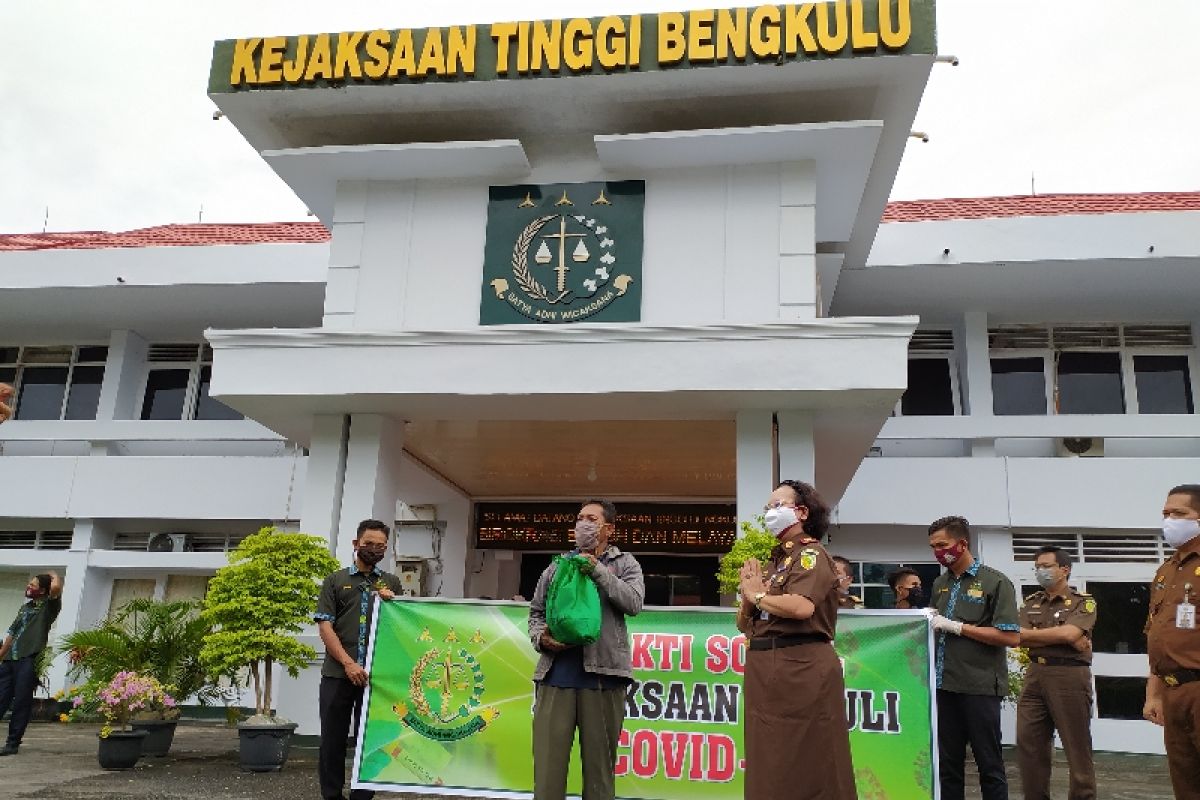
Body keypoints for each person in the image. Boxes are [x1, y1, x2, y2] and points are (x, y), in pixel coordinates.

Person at [736, 480, 857, 800]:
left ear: (801, 512)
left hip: (799, 667)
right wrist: (749, 598)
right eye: (767, 508)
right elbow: (741, 623)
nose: (769, 513)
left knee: (807, 761)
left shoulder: (811, 555)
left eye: (777, 506)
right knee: (769, 760)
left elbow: (802, 607)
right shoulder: (775, 562)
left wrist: (758, 594)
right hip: (767, 667)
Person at [528, 499, 644, 800]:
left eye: (591, 518)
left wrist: (598, 571)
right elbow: (535, 613)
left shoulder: (625, 564)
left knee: (599, 776)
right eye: (580, 518)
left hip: (604, 679)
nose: (583, 524)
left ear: (608, 528)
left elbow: (633, 603)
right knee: (547, 774)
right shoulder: (557, 566)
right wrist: (541, 638)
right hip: (556, 677)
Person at [927, 515, 1019, 800]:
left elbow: (1011, 637)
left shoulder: (995, 582)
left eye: (942, 545)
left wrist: (959, 627)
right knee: (948, 766)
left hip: (978, 687)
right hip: (944, 686)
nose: (938, 552)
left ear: (962, 543)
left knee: (989, 765)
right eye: (933, 547)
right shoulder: (940, 584)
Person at [314, 519, 404, 800]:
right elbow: (325, 626)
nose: (374, 550)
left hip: (375, 680)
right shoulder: (336, 581)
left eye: (381, 546)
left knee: (372, 742)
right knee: (333, 740)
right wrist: (348, 663)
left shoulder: (391, 583)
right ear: (356, 544)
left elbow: (401, 628)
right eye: (369, 545)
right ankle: (331, 795)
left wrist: (393, 605)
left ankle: (362, 796)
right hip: (338, 675)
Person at [1017, 546, 1097, 800]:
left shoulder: (1084, 601)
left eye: (1046, 566)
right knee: (1029, 746)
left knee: (1077, 748)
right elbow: (1017, 636)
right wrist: (1062, 636)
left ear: (1064, 569)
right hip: (1035, 675)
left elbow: (1071, 634)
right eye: (1037, 566)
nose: (1040, 571)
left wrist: (1061, 636)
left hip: (1069, 676)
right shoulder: (1031, 602)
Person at [1144, 484, 1200, 800]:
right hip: (1173, 691)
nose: (1169, 520)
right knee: (1186, 784)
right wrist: (1153, 695)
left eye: (1179, 513)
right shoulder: (1166, 571)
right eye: (1165, 513)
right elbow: (1156, 637)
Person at [0, 571, 63, 755]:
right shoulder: (25, 608)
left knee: (21, 701)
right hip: (10, 659)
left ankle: (12, 744)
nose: (29, 587)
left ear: (43, 590)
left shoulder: (48, 607)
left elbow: (57, 587)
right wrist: (2, 655)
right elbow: (12, 633)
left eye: (33, 585)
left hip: (29, 658)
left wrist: (52, 574)